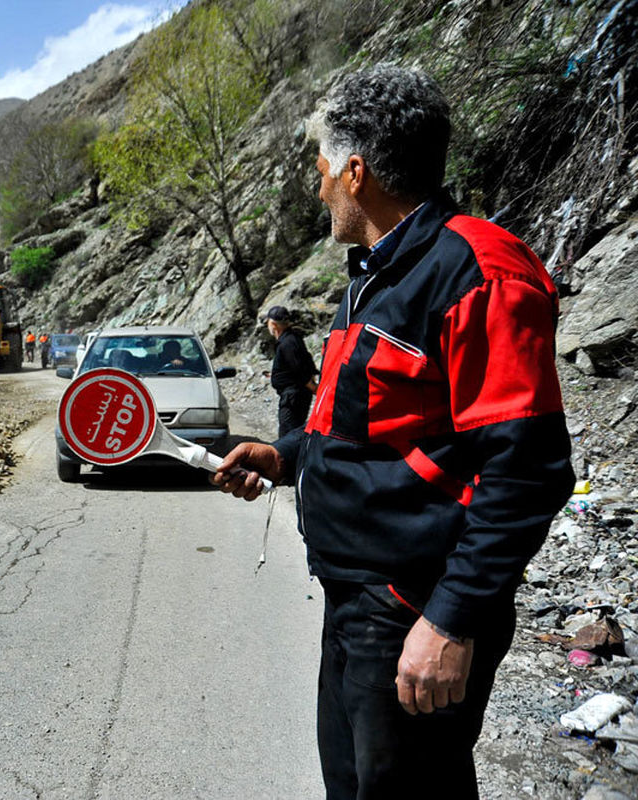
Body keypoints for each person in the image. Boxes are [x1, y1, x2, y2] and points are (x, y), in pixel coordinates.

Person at [213, 65, 574, 800]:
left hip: (415, 603)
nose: (318, 190)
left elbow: (527, 469)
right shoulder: (374, 276)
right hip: (357, 600)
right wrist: (282, 457)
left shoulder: (477, 270)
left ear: (356, 172)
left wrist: (450, 620)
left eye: (321, 171)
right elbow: (364, 430)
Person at [263, 305, 318, 437]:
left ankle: (289, 458)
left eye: (268, 322)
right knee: (292, 432)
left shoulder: (288, 342)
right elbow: (301, 363)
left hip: (294, 397)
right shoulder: (292, 338)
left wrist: (313, 387)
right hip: (296, 394)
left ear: (273, 324)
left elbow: (300, 369)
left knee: (288, 435)